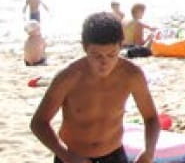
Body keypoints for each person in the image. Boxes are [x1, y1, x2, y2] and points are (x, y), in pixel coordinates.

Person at [31, 12, 159, 163]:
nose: (104, 63)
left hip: (114, 155)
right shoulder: (68, 77)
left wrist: (149, 151)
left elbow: (151, 118)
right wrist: (65, 155)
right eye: (97, 56)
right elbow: (39, 123)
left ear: (121, 45)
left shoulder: (132, 75)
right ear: (85, 48)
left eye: (112, 55)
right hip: (73, 156)